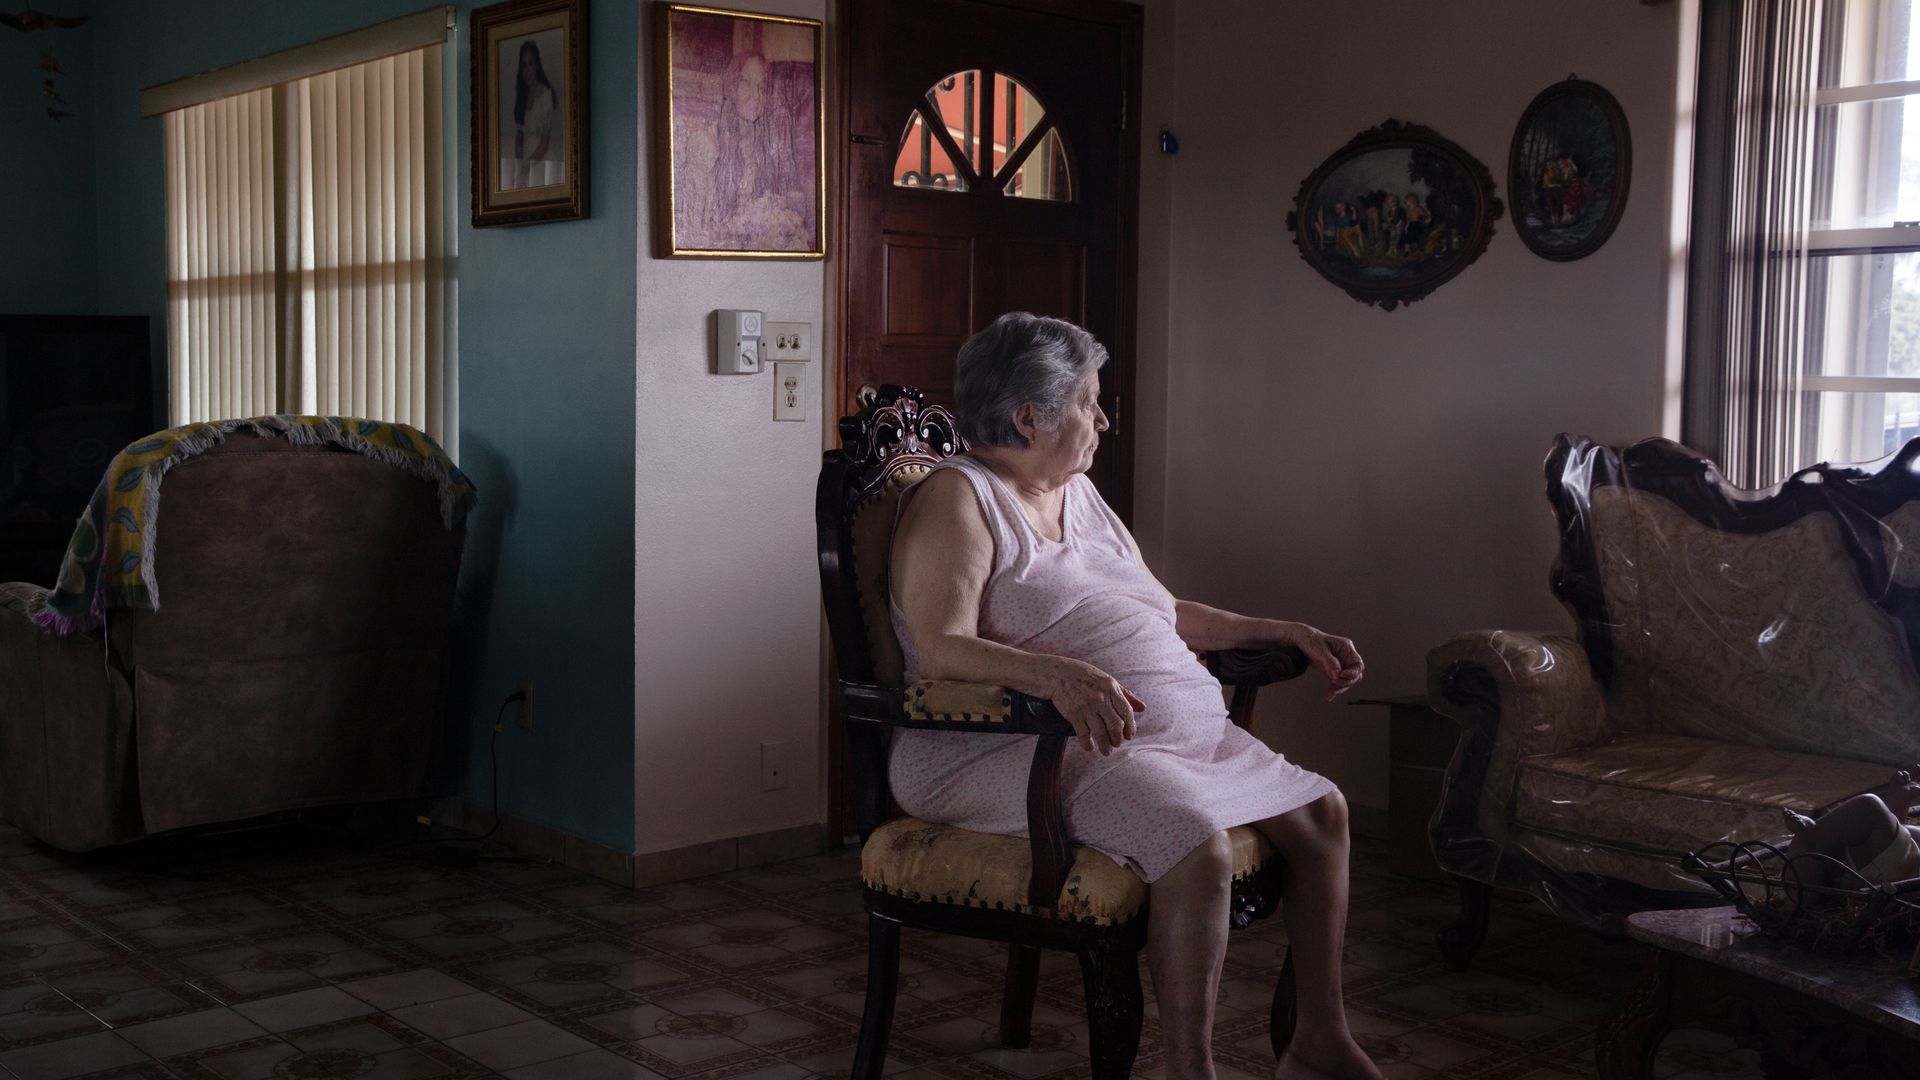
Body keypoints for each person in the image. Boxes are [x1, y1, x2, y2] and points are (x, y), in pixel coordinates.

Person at [888, 313, 1382, 1080]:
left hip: (1141, 740)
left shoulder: (1077, 494)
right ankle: (1191, 1068)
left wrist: (1282, 628)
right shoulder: (962, 501)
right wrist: (1057, 676)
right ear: (1030, 416)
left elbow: (1158, 610)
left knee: (1323, 813)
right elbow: (939, 648)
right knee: (1194, 843)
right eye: (1090, 401)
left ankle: (1319, 1035)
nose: (1104, 418)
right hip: (1011, 747)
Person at [509, 40, 559, 189]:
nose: (527, 70)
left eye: (530, 63)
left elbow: (544, 144)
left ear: (537, 65)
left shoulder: (545, 95)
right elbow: (519, 136)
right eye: (524, 65)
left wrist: (526, 166)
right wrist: (519, 161)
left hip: (540, 160)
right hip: (524, 160)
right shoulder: (521, 95)